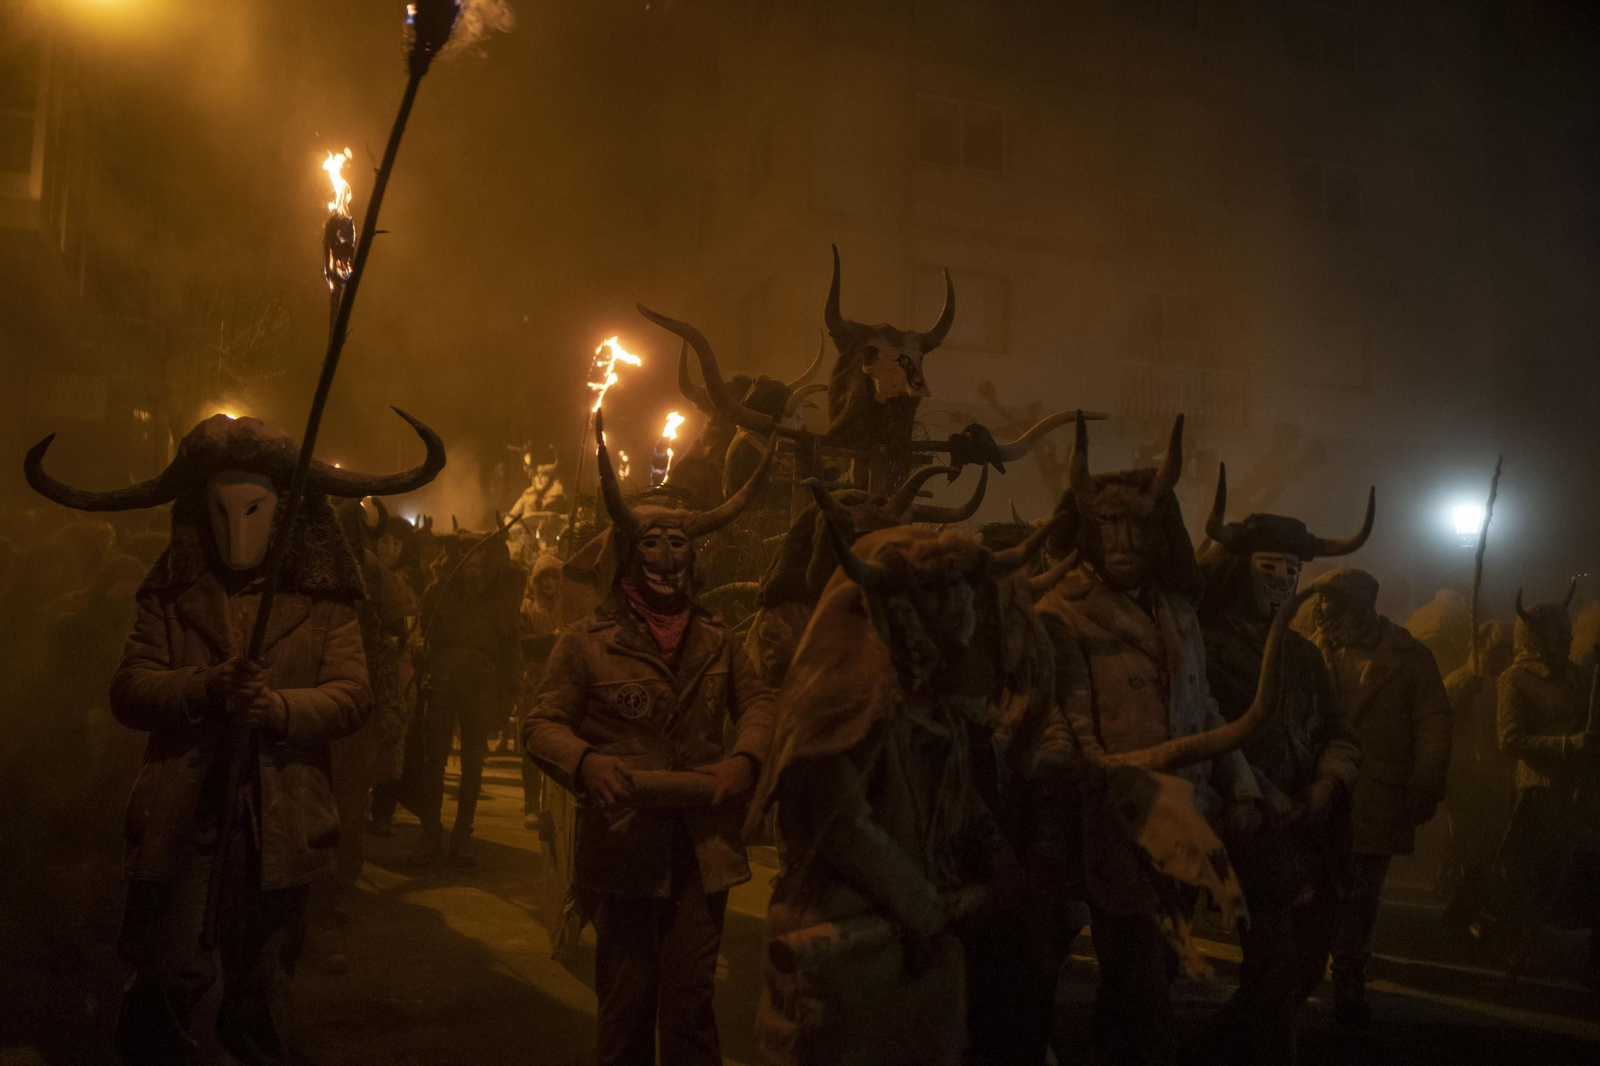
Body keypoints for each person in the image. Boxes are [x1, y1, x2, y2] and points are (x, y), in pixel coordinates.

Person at [23, 409, 443, 1066]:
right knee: (167, 980)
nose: (236, 531)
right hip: (182, 817)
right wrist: (205, 686)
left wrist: (275, 707)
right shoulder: (172, 594)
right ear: (199, 512)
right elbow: (131, 688)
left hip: (279, 820)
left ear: (284, 513)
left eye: (254, 510)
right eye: (221, 512)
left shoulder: (322, 599)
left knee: (261, 992)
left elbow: (351, 695)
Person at [523, 411, 776, 1066]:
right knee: (626, 1007)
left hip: (704, 850)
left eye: (679, 547)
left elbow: (758, 703)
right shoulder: (585, 644)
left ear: (696, 557)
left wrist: (746, 756)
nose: (667, 559)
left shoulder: (719, 639)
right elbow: (541, 723)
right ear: (628, 557)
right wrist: (584, 763)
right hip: (622, 847)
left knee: (690, 1005)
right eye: (653, 546)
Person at [1034, 415, 1262, 1066]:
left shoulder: (1180, 611)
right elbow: (1068, 707)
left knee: (1157, 965)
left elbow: (1205, 704)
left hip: (1187, 813)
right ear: (1088, 530)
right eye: (1109, 524)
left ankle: (1113, 1042)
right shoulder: (1061, 609)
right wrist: (1092, 771)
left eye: (1138, 523)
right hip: (1117, 811)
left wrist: (1240, 777)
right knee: (1135, 960)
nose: (1125, 538)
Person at [1192, 468, 1368, 1065]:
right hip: (1246, 824)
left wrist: (1327, 783)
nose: (1284, 579)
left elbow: (1338, 730)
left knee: (1307, 963)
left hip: (1311, 824)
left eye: (1293, 569)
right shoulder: (1207, 646)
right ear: (1241, 569)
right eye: (1269, 566)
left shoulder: (1301, 651)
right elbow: (1209, 731)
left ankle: (1224, 1048)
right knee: (1273, 964)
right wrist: (1264, 797)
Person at [1297, 567, 1452, 1031]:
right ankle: (1299, 977)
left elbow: (1435, 722)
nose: (1323, 610)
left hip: (1375, 794)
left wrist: (1426, 783)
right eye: (1321, 600)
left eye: (1335, 601)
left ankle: (1347, 980)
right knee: (1307, 889)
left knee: (1360, 895)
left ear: (1363, 604)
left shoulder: (1408, 656)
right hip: (1314, 792)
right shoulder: (1303, 649)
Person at [1473, 585, 1596, 973]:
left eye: (1569, 630)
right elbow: (1509, 740)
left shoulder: (1580, 676)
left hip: (1584, 792)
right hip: (1539, 793)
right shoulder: (1515, 680)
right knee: (1531, 879)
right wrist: (1566, 745)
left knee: (1584, 874)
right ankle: (1514, 951)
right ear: (1536, 635)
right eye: (1559, 632)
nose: (1568, 638)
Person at [410, 535, 523, 867]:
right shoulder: (439, 591)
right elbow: (423, 634)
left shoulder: (502, 597)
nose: (473, 565)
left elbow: (510, 648)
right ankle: (430, 833)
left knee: (474, 764)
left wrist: (510, 690)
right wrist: (421, 654)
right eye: (468, 558)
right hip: (444, 684)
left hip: (481, 687)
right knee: (434, 761)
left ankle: (462, 839)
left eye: (480, 559)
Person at [1440, 620, 1516, 940]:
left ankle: (1468, 913)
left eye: (1508, 649)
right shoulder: (1460, 679)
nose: (1505, 655)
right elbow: (1441, 723)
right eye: (1499, 648)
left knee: (1491, 848)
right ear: (1482, 648)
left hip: (1498, 777)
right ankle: (1460, 915)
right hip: (1465, 775)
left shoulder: (1508, 682)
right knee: (1469, 846)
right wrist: (1461, 699)